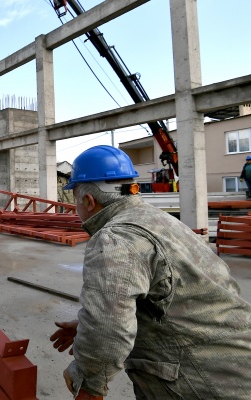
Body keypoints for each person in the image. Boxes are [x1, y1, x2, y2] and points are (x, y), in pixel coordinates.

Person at [50, 145, 251, 399]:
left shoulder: (116, 239)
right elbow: (173, 298)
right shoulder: (161, 221)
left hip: (201, 380)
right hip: (236, 363)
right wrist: (85, 325)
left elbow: (109, 329)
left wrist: (88, 381)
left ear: (89, 201)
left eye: (76, 201)